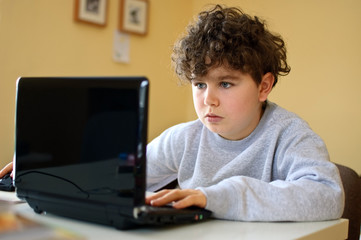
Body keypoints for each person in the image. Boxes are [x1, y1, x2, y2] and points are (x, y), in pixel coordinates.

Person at [1, 5, 344, 222]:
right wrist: (48, 168)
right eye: (199, 85)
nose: (208, 100)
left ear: (264, 86)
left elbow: (328, 197)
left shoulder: (289, 135)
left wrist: (216, 196)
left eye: (226, 84)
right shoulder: (185, 138)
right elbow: (121, 176)